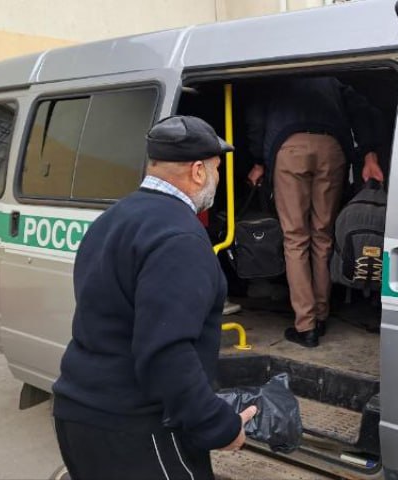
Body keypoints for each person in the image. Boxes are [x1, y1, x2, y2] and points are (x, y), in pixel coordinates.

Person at [53, 116, 257, 480]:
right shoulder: (180, 238)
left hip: (78, 413)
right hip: (137, 428)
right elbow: (166, 352)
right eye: (216, 167)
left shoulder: (113, 217)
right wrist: (219, 426)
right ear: (197, 171)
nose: (217, 175)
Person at [246, 76, 385, 348]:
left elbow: (256, 117)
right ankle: (321, 316)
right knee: (323, 236)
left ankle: (305, 325)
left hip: (289, 148)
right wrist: (369, 153)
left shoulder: (278, 75)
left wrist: (258, 160)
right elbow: (363, 110)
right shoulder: (333, 80)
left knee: (295, 238)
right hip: (332, 148)